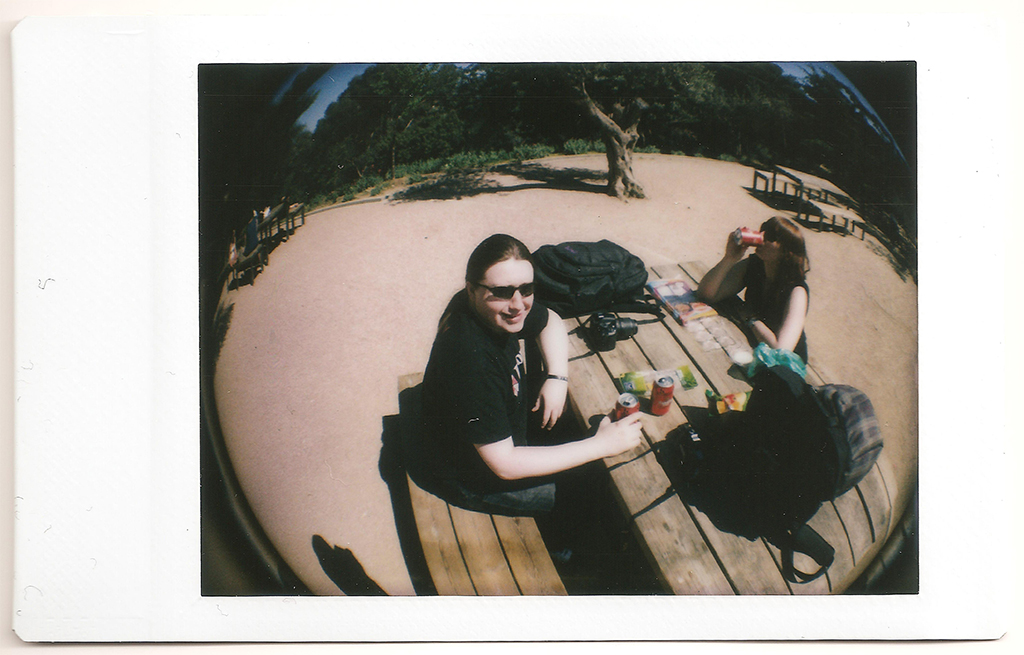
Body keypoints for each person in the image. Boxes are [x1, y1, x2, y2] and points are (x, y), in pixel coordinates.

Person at [415, 234, 643, 516]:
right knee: (593, 489)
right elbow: (505, 465)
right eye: (501, 291)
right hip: (472, 478)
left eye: (527, 288)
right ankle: (567, 550)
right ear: (471, 289)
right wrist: (601, 445)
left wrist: (558, 378)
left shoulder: (482, 308)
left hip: (500, 430)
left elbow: (550, 320)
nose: (518, 304)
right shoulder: (469, 359)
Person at [697, 216, 810, 362]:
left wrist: (750, 319)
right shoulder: (755, 264)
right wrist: (729, 258)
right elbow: (707, 294)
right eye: (762, 231)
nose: (761, 237)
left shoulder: (797, 291)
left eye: (770, 236)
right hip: (749, 344)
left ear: (785, 252)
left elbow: (780, 351)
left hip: (783, 367)